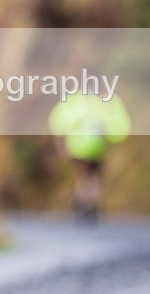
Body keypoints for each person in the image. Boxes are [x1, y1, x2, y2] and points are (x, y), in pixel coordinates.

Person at [48, 92, 131, 223]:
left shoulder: (75, 99)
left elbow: (57, 121)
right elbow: (120, 126)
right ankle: (89, 204)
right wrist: (110, 138)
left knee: (84, 175)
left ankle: (83, 203)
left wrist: (61, 144)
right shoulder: (109, 101)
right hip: (97, 145)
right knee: (92, 175)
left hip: (76, 145)